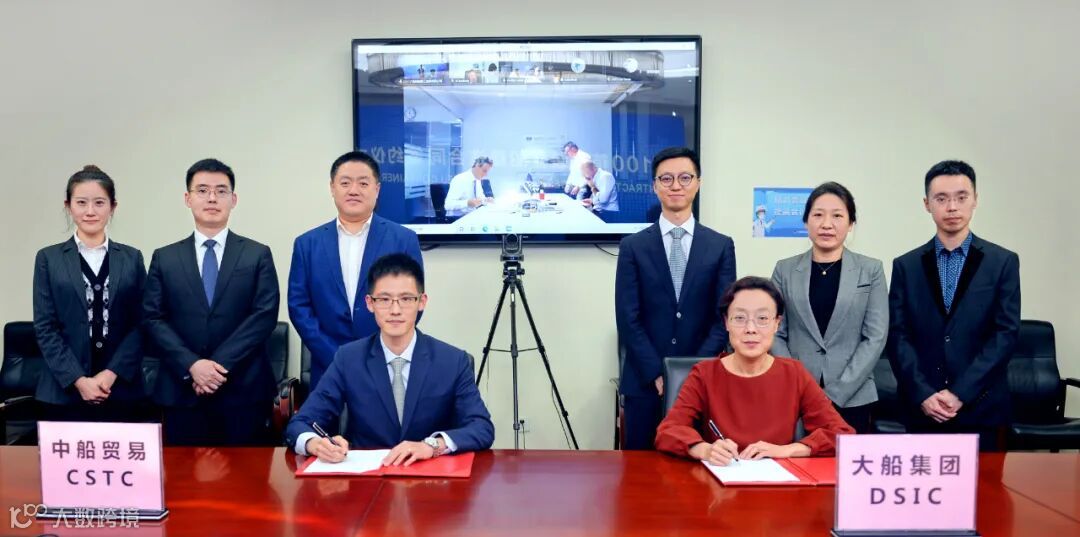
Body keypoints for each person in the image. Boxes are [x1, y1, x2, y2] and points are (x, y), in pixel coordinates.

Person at [286, 253, 494, 465]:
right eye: (384, 300)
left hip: (431, 477)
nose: (395, 310)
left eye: (406, 299)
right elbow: (300, 424)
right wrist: (315, 443)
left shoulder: (452, 361)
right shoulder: (348, 359)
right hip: (368, 477)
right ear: (370, 303)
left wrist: (432, 445)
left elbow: (482, 427)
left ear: (422, 302)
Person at [144, 158, 280, 446]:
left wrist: (216, 367)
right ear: (188, 198)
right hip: (181, 391)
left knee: (247, 474)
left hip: (243, 391)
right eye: (202, 190)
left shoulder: (257, 254)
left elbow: (264, 315)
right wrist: (192, 365)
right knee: (183, 474)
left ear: (233, 199)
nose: (212, 198)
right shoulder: (165, 258)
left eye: (221, 191)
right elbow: (153, 318)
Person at [888, 160, 1020, 451]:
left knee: (985, 484)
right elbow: (898, 336)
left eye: (961, 197)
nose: (952, 207)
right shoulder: (906, 266)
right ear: (927, 204)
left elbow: (1005, 334)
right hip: (923, 409)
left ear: (975, 200)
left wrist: (961, 393)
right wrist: (923, 394)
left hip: (981, 408)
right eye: (941, 199)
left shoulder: (1002, 262)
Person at [656, 277, 855, 465]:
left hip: (779, 481)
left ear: (777, 324)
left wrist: (787, 450)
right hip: (720, 478)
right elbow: (668, 431)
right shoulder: (704, 374)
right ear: (726, 323)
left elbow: (842, 434)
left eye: (762, 318)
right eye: (740, 318)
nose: (750, 328)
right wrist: (705, 450)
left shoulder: (794, 373)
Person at [615, 146, 737, 450]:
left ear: (698, 183)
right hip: (645, 384)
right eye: (666, 179)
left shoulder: (720, 246)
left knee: (698, 469)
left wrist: (691, 372)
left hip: (703, 383)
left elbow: (724, 318)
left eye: (685, 177)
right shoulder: (632, 247)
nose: (676, 186)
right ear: (655, 186)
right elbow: (628, 318)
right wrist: (658, 373)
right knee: (640, 472)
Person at [289, 151, 423, 392]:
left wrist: (381, 351)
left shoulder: (403, 239)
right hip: (328, 368)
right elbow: (299, 307)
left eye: (363, 183)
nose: (353, 190)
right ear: (332, 188)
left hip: (386, 365)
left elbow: (412, 301)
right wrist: (335, 357)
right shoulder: (307, 244)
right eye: (345, 183)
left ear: (377, 189)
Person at [32, 165, 148, 422]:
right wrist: (78, 379)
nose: (90, 211)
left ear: (113, 207)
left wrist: (111, 373)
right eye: (81, 202)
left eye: (99, 202)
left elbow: (142, 324)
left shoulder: (131, 258)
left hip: (121, 390)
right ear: (68, 206)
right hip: (63, 392)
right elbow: (45, 327)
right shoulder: (48, 258)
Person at [771, 182, 888, 433]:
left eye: (837, 216)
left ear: (851, 223)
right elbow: (775, 331)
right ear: (806, 222)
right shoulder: (784, 270)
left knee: (847, 458)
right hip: (796, 396)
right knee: (797, 457)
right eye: (818, 215)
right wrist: (800, 386)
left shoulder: (871, 270)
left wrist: (837, 392)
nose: (827, 224)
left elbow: (875, 336)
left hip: (853, 396)